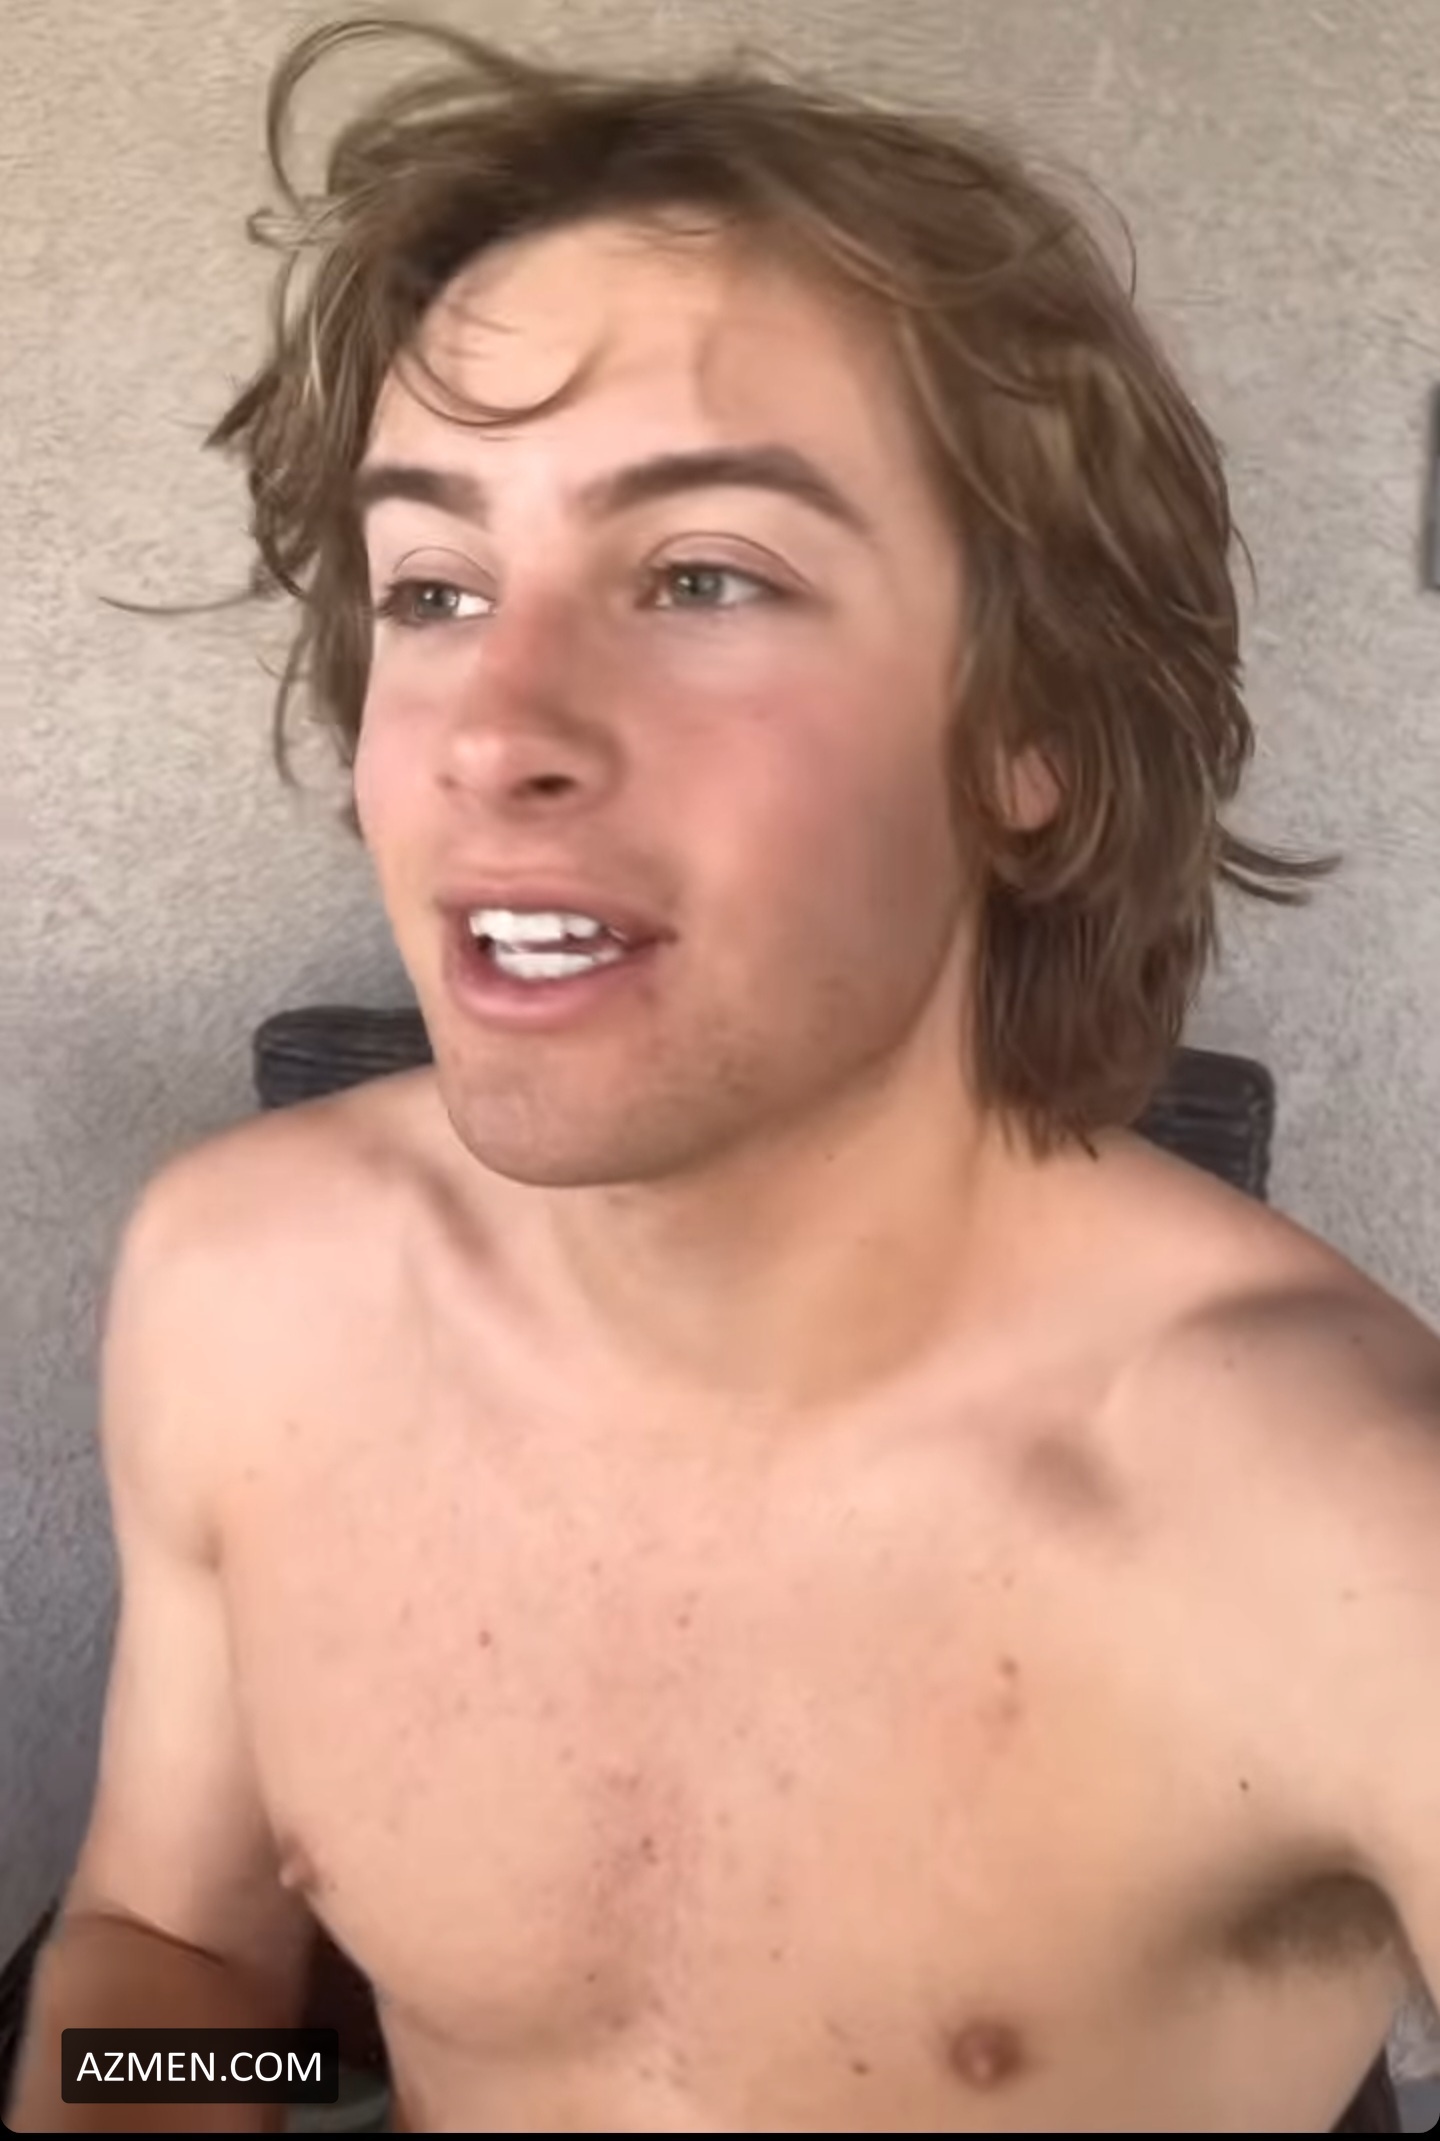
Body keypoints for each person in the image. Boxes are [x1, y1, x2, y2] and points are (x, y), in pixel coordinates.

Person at [9, 15, 1440, 2134]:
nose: (496, 728)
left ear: (1028, 741)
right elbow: (183, 1962)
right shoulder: (243, 1296)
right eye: (435, 586)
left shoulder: (1349, 1527)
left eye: (701, 576)